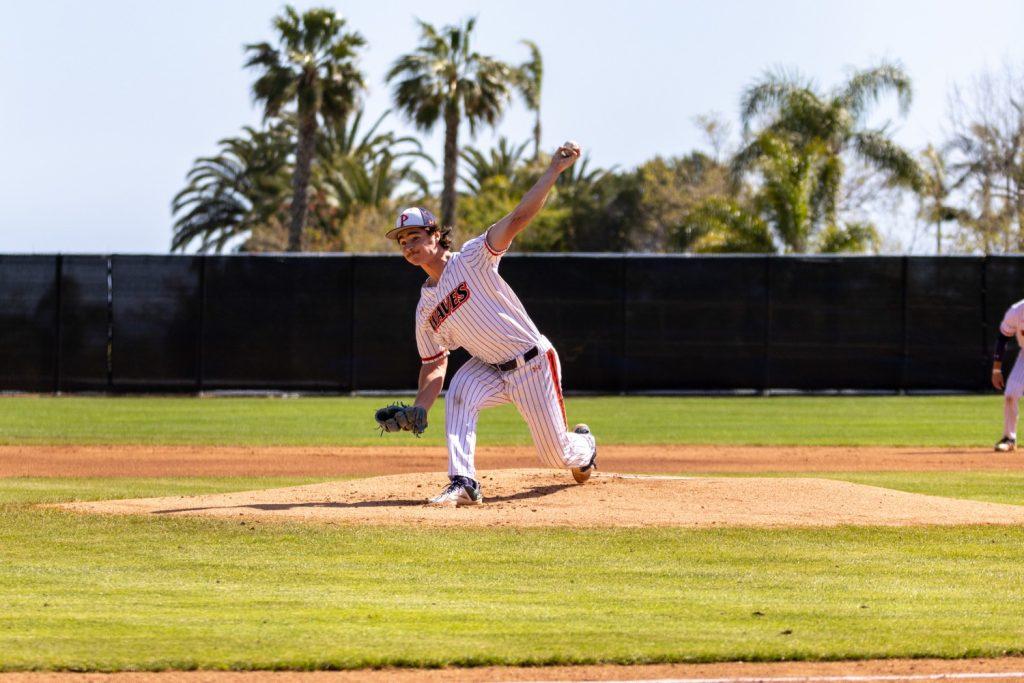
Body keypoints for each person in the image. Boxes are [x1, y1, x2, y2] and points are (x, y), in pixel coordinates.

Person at [379, 142, 597, 506]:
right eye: (402, 241)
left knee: (554, 455)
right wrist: (420, 406)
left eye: (414, 237)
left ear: (435, 235)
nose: (408, 246)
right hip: (490, 370)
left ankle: (585, 446)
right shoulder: (426, 307)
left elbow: (516, 220)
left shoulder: (472, 258)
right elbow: (434, 364)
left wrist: (553, 172)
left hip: (532, 362)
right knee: (461, 388)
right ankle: (463, 482)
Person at [992, 298, 1024, 452]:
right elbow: (1003, 338)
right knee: (1011, 393)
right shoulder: (1017, 311)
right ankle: (1009, 438)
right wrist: (996, 370)